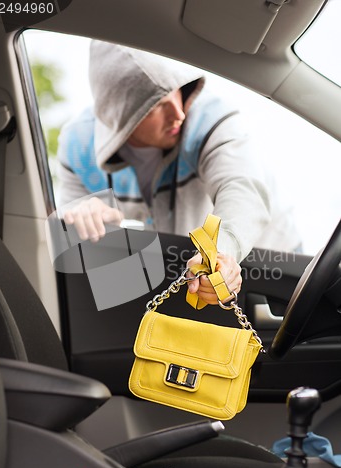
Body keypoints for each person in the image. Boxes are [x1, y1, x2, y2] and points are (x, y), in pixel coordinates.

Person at [57, 41, 300, 305]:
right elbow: (73, 234)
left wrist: (218, 253)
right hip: (186, 279)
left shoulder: (211, 118)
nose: (178, 112)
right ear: (121, 115)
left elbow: (242, 188)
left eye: (176, 91)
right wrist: (82, 215)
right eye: (156, 106)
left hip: (272, 263)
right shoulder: (77, 146)